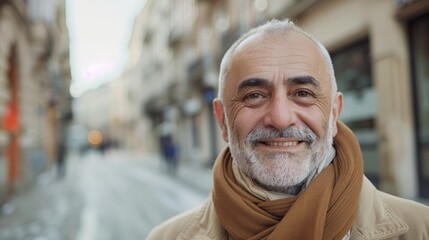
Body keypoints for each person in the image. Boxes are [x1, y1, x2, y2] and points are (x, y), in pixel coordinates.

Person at [147, 19, 429, 240]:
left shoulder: (420, 230)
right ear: (222, 119)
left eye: (303, 93)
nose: (281, 119)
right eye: (254, 95)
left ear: (333, 112)